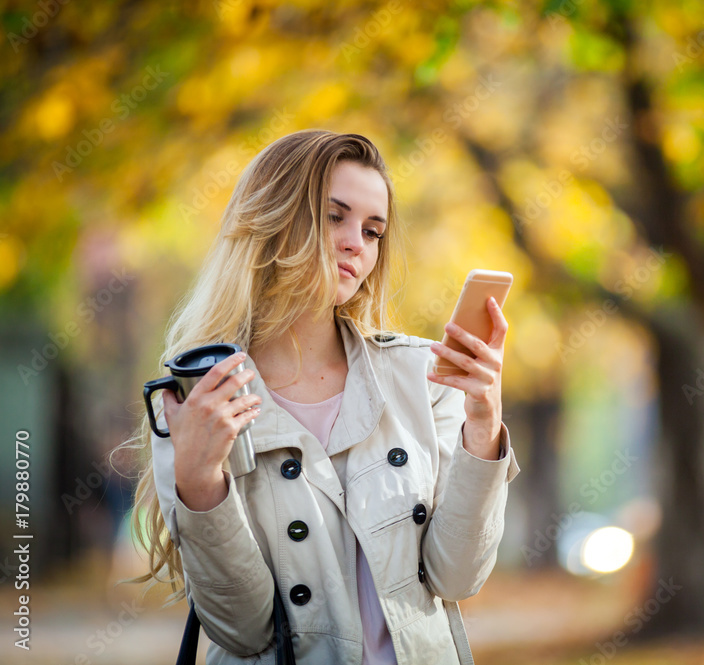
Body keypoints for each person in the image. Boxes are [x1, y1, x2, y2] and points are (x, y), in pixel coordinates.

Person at [122, 129, 520, 664]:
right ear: (273, 218)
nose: (357, 242)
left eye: (373, 230)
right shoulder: (199, 397)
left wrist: (483, 425)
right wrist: (199, 481)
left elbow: (458, 576)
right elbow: (243, 631)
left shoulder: (421, 379)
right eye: (335, 217)